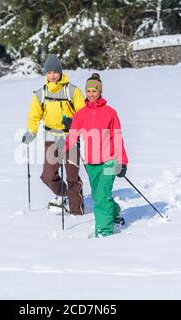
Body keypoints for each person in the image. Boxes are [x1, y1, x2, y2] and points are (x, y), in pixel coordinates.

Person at [64, 73, 128, 237]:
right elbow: (73, 134)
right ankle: (114, 213)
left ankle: (104, 231)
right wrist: (65, 149)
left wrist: (123, 162)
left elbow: (117, 138)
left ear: (100, 91)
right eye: (89, 91)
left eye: (94, 90)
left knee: (101, 196)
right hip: (90, 163)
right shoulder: (81, 114)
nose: (91, 94)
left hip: (109, 162)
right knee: (98, 195)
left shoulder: (110, 113)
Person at [22, 54, 85, 215]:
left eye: (55, 72)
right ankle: (64, 195)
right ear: (45, 74)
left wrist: (73, 123)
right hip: (51, 138)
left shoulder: (72, 91)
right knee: (48, 175)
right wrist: (31, 132)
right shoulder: (40, 94)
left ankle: (76, 211)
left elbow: (83, 113)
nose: (52, 75)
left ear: (60, 72)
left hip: (70, 138)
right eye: (49, 72)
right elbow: (34, 117)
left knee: (72, 176)